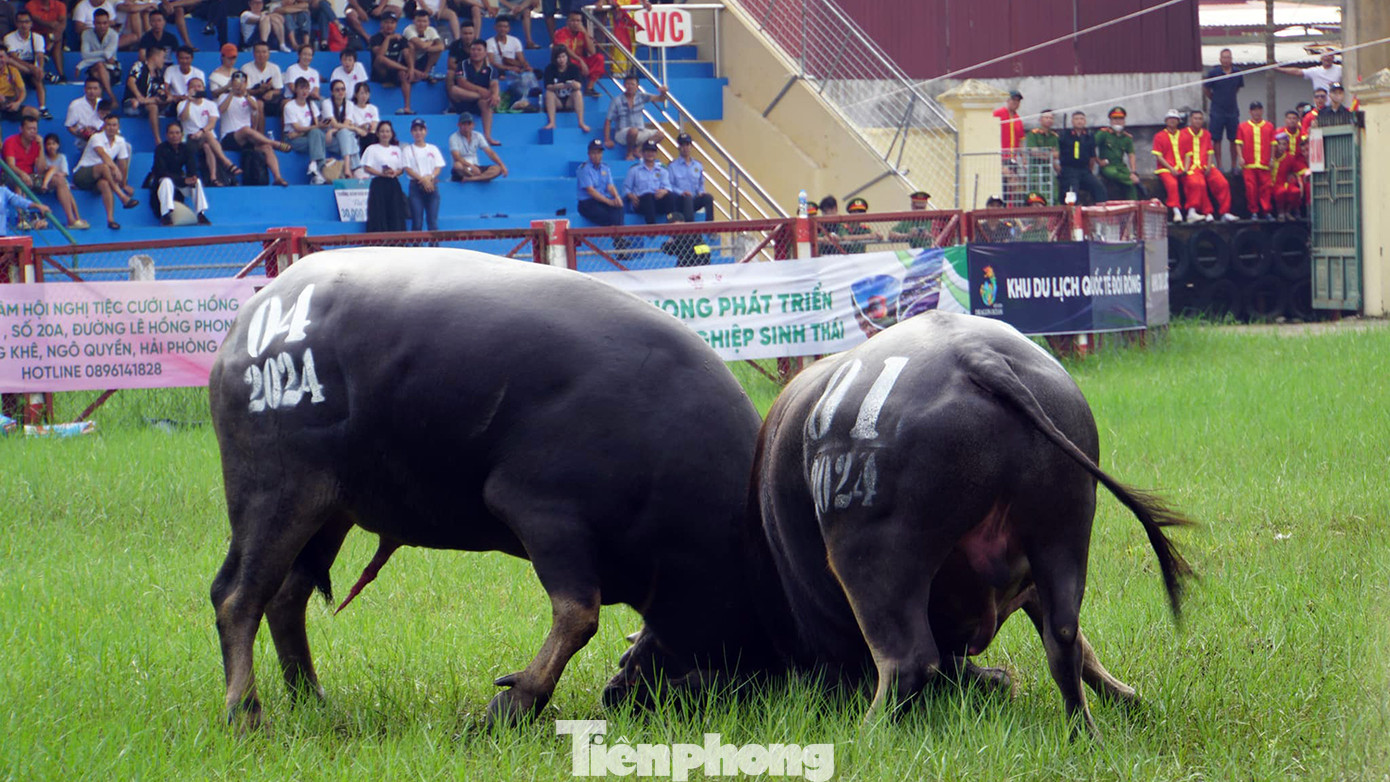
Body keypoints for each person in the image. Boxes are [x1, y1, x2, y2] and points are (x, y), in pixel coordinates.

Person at [219, 69, 291, 185]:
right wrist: (232, 92)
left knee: (266, 147)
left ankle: (277, 177)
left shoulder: (250, 99)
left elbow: (255, 109)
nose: (239, 84)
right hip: (229, 137)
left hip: (247, 138)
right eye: (236, 82)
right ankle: (275, 143)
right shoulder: (224, 96)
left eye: (242, 82)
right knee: (246, 130)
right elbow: (221, 110)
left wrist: (246, 94)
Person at [72, 114, 138, 229]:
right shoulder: (96, 137)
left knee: (105, 184)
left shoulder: (120, 141)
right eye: (109, 125)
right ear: (104, 126)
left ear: (118, 126)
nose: (111, 128)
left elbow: (123, 162)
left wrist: (124, 183)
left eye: (114, 125)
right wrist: (114, 168)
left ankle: (110, 220)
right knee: (104, 167)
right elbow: (102, 154)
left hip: (100, 178)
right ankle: (122, 197)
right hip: (82, 174)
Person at [179, 76, 240, 182]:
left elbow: (212, 123)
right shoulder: (182, 104)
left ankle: (213, 178)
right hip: (190, 137)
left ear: (203, 88)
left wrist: (201, 132)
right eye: (193, 87)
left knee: (207, 144)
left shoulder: (210, 104)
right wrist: (189, 101)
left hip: (206, 137)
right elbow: (183, 118)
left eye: (199, 86)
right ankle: (227, 163)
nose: (197, 89)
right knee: (207, 135)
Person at [150, 121, 210, 224]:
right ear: (167, 135)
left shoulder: (186, 148)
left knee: (197, 182)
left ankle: (201, 214)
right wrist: (183, 180)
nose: (175, 136)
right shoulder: (160, 149)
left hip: (180, 181)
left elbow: (191, 167)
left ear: (182, 135)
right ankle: (166, 214)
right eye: (172, 133)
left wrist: (192, 177)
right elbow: (161, 172)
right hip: (163, 181)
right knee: (166, 181)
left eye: (177, 133)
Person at [1182, 109, 1236, 223]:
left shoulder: (1206, 134)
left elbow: (1210, 151)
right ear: (1191, 120)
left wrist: (1208, 165)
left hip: (1206, 165)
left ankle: (1225, 212)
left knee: (1223, 183)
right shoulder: (1183, 133)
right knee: (1198, 184)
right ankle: (1206, 212)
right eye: (1195, 118)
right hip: (1192, 167)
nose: (1198, 121)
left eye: (1200, 119)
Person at [448, 39, 502, 143]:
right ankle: (481, 97)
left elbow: (494, 84)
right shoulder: (463, 64)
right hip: (465, 99)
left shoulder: (490, 68)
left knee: (486, 103)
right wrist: (481, 92)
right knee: (454, 90)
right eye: (473, 50)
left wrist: (495, 95)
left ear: (485, 52)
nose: (475, 52)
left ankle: (487, 137)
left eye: (479, 50)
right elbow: (461, 83)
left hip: (479, 103)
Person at [603, 72, 666, 160]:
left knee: (660, 134)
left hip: (640, 131)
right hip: (622, 133)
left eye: (633, 84)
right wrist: (607, 139)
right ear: (624, 85)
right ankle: (629, 154)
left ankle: (638, 149)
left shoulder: (641, 96)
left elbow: (660, 99)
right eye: (628, 84)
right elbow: (608, 121)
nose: (630, 86)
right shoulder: (617, 100)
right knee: (633, 131)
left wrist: (663, 93)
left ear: (637, 86)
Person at [370, 13, 421, 115]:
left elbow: (407, 54)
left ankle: (407, 107)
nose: (389, 25)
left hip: (395, 70)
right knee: (381, 58)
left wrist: (411, 68)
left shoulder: (401, 39)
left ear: (396, 24)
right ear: (381, 24)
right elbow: (380, 54)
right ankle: (406, 70)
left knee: (404, 75)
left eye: (392, 23)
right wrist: (388, 39)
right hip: (380, 72)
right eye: (386, 22)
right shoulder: (374, 38)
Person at [360, 119, 407, 231]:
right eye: (382, 131)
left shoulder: (396, 149)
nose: (385, 134)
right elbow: (367, 167)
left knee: (395, 211)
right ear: (377, 133)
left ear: (391, 134)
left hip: (393, 183)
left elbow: (402, 168)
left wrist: (395, 172)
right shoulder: (372, 149)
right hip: (378, 183)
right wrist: (381, 173)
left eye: (387, 131)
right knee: (378, 212)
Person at [400, 117, 445, 231]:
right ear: (411, 132)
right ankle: (417, 247)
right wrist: (423, 179)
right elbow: (407, 168)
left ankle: (434, 247)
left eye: (421, 129)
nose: (418, 133)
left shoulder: (433, 148)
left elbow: (438, 166)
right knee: (417, 221)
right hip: (416, 185)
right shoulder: (408, 149)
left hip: (431, 185)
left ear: (426, 131)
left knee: (433, 221)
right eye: (415, 130)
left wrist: (430, 177)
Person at [283, 76, 330, 182]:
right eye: (301, 88)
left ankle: (314, 164)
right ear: (296, 90)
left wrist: (301, 133)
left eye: (306, 88)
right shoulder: (289, 106)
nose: (304, 91)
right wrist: (300, 133)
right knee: (317, 135)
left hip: (306, 136)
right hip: (293, 139)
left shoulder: (311, 104)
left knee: (318, 134)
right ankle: (320, 167)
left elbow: (315, 125)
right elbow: (297, 127)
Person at [35, 132, 87, 228]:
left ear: (58, 145)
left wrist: (58, 175)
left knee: (69, 194)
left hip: (61, 180)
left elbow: (65, 172)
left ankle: (77, 217)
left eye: (53, 144)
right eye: (48, 144)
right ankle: (73, 220)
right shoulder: (44, 158)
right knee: (55, 172)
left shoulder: (62, 157)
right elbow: (41, 171)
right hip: (50, 180)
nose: (51, 146)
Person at [5, 11, 51, 119]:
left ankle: (42, 107)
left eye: (26, 22)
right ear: (16, 24)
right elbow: (14, 57)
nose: (24, 25)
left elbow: (40, 56)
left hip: (32, 69)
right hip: (17, 68)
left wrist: (40, 68)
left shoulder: (37, 37)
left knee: (37, 77)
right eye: (21, 22)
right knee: (12, 63)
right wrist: (32, 68)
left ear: (31, 24)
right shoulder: (9, 38)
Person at [486, 15, 536, 111]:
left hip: (512, 68)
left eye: (505, 27)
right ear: (495, 27)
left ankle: (529, 97)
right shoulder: (489, 42)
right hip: (497, 70)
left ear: (509, 28)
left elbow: (521, 59)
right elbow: (491, 62)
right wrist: (509, 68)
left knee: (528, 74)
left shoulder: (515, 41)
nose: (503, 29)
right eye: (500, 26)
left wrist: (526, 66)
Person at [1204, 47, 1242, 170]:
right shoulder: (1213, 73)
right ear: (1220, 59)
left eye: (1228, 57)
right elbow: (1206, 89)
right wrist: (1215, 99)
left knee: (1234, 139)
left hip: (1232, 111)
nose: (1226, 60)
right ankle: (1219, 165)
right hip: (1217, 111)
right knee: (1216, 139)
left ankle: (1233, 165)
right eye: (1224, 57)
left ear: (1231, 59)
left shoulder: (1237, 72)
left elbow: (1237, 88)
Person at [1235, 100, 1275, 220]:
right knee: (1251, 188)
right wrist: (1240, 157)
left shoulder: (1269, 126)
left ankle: (1266, 211)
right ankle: (1254, 211)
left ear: (1262, 111)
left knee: (1266, 188)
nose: (1257, 112)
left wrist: (1272, 159)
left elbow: (1273, 144)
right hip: (1249, 163)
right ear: (1250, 112)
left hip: (1264, 163)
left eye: (1259, 110)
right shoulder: (1243, 126)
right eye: (1254, 110)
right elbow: (1238, 143)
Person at [1057, 110, 1105, 206]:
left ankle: (1101, 213)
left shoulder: (1089, 136)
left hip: (1084, 170)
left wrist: (1089, 171)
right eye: (1077, 119)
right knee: (1071, 192)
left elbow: (1092, 155)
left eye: (1082, 119)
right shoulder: (1065, 135)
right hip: (1069, 170)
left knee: (1099, 187)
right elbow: (1058, 152)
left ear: (1085, 121)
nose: (1079, 121)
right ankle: (1073, 217)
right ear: (1072, 121)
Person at [124, 45, 168, 142]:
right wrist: (139, 97)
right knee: (152, 106)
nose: (164, 61)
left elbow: (161, 93)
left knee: (168, 99)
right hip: (131, 104)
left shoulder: (159, 74)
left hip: (145, 103)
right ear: (155, 57)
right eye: (163, 57)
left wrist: (159, 96)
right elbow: (131, 81)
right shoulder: (139, 65)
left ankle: (143, 102)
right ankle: (157, 140)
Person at [622, 138, 671, 224]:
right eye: (647, 151)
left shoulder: (662, 171)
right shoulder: (634, 170)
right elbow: (626, 189)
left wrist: (664, 191)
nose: (650, 154)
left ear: (656, 154)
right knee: (648, 196)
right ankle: (652, 228)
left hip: (657, 201)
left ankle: (673, 224)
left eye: (652, 151)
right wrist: (632, 196)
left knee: (670, 196)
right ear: (642, 153)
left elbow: (668, 187)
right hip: (640, 203)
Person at [1095, 106, 1140, 201]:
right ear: (1110, 121)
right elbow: (1091, 147)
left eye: (1120, 119)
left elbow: (1131, 154)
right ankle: (1132, 181)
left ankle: (1134, 206)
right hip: (1108, 166)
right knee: (1118, 176)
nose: (1118, 121)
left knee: (1131, 188)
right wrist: (1098, 161)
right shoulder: (1103, 134)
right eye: (1115, 119)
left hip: (1121, 166)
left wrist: (1133, 171)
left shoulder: (1126, 137)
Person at [553, 11, 602, 96]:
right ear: (567, 22)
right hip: (566, 60)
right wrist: (580, 60)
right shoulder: (560, 33)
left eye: (578, 21)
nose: (576, 23)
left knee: (599, 58)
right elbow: (565, 49)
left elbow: (592, 51)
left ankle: (589, 88)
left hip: (581, 61)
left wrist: (585, 33)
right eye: (573, 20)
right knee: (571, 62)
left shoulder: (582, 33)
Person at [76, 9, 120, 103]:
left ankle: (101, 103)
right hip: (93, 68)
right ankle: (111, 97)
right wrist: (103, 54)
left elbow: (108, 54)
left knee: (98, 70)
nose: (102, 26)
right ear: (94, 23)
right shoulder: (86, 34)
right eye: (99, 23)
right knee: (99, 65)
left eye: (105, 23)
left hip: (112, 70)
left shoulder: (114, 35)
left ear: (108, 23)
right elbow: (85, 55)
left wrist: (82, 64)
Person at [576, 137, 621, 226]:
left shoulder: (605, 167)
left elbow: (610, 186)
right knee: (607, 215)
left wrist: (616, 197)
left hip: (601, 199)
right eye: (594, 153)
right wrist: (609, 202)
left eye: (599, 153)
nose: (596, 156)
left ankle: (619, 238)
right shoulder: (584, 169)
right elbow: (591, 191)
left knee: (619, 208)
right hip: (587, 202)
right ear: (589, 154)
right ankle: (617, 237)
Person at [448, 110, 505, 181]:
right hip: (464, 167)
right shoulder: (453, 137)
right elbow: (456, 156)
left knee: (497, 169)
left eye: (469, 123)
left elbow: (490, 152)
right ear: (459, 125)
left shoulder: (478, 135)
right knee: (457, 165)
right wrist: (470, 166)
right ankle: (480, 178)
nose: (466, 126)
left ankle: (473, 179)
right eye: (463, 124)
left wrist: (501, 164)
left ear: (473, 125)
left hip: (476, 166)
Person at [667, 132, 711, 222]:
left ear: (691, 146)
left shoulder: (698, 165)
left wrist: (701, 192)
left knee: (708, 197)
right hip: (680, 200)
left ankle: (711, 227)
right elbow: (669, 186)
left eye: (687, 145)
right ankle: (690, 228)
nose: (685, 148)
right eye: (682, 145)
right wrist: (681, 192)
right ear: (678, 147)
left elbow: (700, 184)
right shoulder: (672, 166)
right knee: (687, 198)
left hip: (693, 199)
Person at [541, 46, 587, 132]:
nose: (561, 60)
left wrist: (572, 84)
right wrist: (559, 86)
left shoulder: (573, 68)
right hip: (557, 100)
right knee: (549, 93)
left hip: (569, 100)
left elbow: (579, 85)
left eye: (563, 57)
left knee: (578, 93)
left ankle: (581, 122)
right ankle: (552, 122)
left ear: (567, 57)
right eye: (559, 57)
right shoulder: (550, 68)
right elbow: (548, 86)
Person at [1151, 109, 1186, 222]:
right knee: (1172, 184)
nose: (1172, 121)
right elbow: (1159, 156)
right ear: (1166, 121)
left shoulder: (1184, 135)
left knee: (1194, 182)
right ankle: (1176, 211)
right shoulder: (1159, 136)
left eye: (1175, 119)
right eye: (1170, 118)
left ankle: (1193, 211)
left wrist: (1185, 168)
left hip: (1183, 168)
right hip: (1165, 168)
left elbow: (1188, 154)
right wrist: (1171, 168)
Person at [320, 78, 361, 175]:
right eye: (337, 90)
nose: (340, 92)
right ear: (332, 92)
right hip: (329, 139)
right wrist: (355, 128)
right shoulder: (326, 103)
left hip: (341, 138)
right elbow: (334, 123)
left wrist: (333, 130)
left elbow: (346, 124)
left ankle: (347, 169)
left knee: (345, 133)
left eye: (343, 89)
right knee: (351, 140)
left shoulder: (349, 104)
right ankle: (355, 169)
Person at [242, 40, 283, 127]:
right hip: (253, 98)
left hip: (271, 100)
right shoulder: (246, 68)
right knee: (259, 104)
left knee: (286, 104)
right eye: (258, 52)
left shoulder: (274, 68)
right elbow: (245, 91)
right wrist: (259, 90)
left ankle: (285, 137)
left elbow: (278, 89)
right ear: (253, 54)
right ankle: (260, 137)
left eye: (264, 52)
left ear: (269, 54)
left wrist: (271, 92)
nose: (261, 55)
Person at [992, 89, 1023, 202]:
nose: (1015, 103)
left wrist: (1023, 159)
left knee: (1012, 188)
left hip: (1012, 159)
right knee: (1002, 187)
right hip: (1001, 157)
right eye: (1013, 100)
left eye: (1018, 101)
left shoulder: (1018, 119)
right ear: (1007, 100)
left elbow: (1020, 141)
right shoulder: (998, 114)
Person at [1023, 108, 1059, 204]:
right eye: (1046, 117)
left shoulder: (1054, 136)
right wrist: (1049, 153)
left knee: (1053, 190)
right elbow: (1033, 152)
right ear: (1040, 120)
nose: (1049, 120)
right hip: (1035, 168)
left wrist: (1043, 153)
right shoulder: (1033, 134)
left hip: (1048, 168)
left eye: (1051, 118)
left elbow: (1057, 154)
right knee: (1036, 192)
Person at [25, 0, 67, 83]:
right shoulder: (31, 4)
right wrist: (49, 24)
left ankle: (61, 73)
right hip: (35, 34)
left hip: (53, 35)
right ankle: (47, 53)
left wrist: (57, 32)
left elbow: (62, 23)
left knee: (57, 38)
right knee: (51, 36)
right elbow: (36, 20)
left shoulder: (60, 5)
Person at [1272, 134, 1309, 221]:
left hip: (1283, 183)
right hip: (1271, 184)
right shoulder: (1270, 157)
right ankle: (1280, 212)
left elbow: (1297, 171)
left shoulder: (1289, 157)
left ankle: (1287, 212)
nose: (1281, 147)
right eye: (1280, 144)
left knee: (1295, 191)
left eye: (1284, 144)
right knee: (1281, 191)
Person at [402, 9, 444, 80]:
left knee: (437, 50)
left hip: (422, 57)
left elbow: (441, 47)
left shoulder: (431, 30)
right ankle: (412, 70)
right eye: (419, 21)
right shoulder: (408, 30)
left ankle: (426, 72)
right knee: (411, 46)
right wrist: (430, 42)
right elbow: (422, 45)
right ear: (414, 21)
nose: (421, 24)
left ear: (428, 22)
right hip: (408, 59)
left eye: (424, 21)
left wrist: (427, 48)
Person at [1276, 50, 1341, 96]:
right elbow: (1298, 71)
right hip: (1320, 104)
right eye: (1325, 57)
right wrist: (1278, 69)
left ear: (1333, 58)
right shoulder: (1315, 71)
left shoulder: (1340, 69)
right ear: (1321, 58)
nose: (1327, 58)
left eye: (1329, 56)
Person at [65, 76, 105, 148]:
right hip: (84, 140)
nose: (92, 91)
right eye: (89, 88)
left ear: (100, 90)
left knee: (126, 146)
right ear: (85, 89)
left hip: (102, 136)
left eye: (95, 88)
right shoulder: (75, 105)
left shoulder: (103, 103)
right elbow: (69, 126)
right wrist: (82, 134)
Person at [347, 80, 379, 150]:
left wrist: (366, 127)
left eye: (366, 93)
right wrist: (361, 127)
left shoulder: (373, 108)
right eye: (361, 93)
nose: (364, 96)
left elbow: (374, 125)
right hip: (357, 134)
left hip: (371, 133)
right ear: (356, 94)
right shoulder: (351, 108)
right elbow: (350, 124)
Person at [0, 48, 26, 120]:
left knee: (33, 113)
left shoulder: (13, 70)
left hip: (9, 101)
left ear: (7, 58)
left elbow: (22, 90)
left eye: (1, 57)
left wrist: (18, 103)